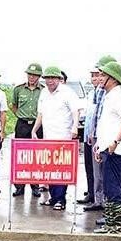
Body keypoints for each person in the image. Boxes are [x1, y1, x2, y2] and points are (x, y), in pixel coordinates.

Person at [93, 62, 121, 234]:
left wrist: (115, 142)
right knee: (110, 189)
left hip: (116, 152)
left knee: (115, 188)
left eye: (103, 75)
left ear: (112, 78)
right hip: (107, 149)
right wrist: (99, 145)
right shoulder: (109, 95)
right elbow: (107, 124)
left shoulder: (117, 96)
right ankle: (110, 223)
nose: (100, 78)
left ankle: (116, 226)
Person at [31, 66, 79, 211]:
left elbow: (75, 111)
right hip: (48, 137)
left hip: (63, 137)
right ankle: (53, 197)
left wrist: (75, 127)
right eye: (47, 78)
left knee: (61, 169)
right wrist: (34, 129)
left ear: (59, 79)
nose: (50, 81)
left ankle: (61, 199)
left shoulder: (67, 92)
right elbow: (41, 114)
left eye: (53, 78)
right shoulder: (44, 93)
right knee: (50, 168)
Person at [83, 55, 117, 213]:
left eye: (102, 74)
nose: (99, 77)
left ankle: (106, 203)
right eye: (97, 74)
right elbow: (95, 114)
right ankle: (98, 199)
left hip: (109, 139)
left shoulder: (114, 93)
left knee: (107, 172)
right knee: (97, 171)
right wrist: (92, 132)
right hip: (97, 136)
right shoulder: (98, 91)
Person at [10, 63, 44, 197]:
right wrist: (20, 115)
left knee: (36, 156)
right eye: (30, 74)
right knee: (21, 156)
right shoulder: (18, 89)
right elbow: (14, 105)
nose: (32, 77)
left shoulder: (43, 90)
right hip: (22, 124)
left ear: (39, 77)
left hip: (37, 125)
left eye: (35, 75)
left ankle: (35, 185)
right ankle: (19, 186)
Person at [78, 66, 103, 204]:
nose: (95, 78)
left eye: (98, 75)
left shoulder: (103, 93)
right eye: (92, 75)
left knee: (98, 170)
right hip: (89, 135)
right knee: (89, 166)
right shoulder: (91, 93)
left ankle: (98, 199)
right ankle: (91, 193)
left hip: (97, 136)